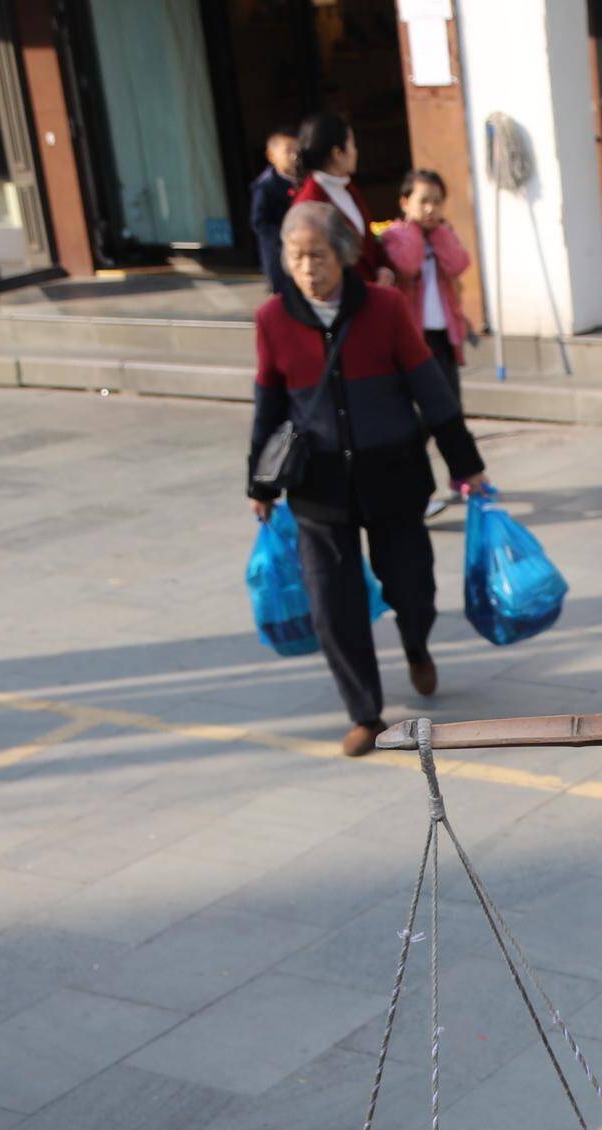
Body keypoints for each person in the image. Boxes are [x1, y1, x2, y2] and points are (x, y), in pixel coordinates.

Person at [247, 201, 487, 753]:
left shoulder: (384, 308)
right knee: (333, 608)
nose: (306, 267)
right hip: (318, 489)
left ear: (346, 255)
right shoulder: (273, 319)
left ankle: (416, 645)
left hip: (394, 478)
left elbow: (433, 391)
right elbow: (268, 405)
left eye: (318, 255)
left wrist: (465, 463)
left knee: (414, 589)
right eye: (295, 256)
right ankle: (365, 712)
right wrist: (259, 485)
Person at [381, 168, 478, 520]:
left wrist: (439, 234)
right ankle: (413, 490)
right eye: (423, 201)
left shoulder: (441, 236)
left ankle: (462, 476)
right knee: (422, 421)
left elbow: (460, 264)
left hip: (441, 336)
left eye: (437, 202)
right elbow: (404, 265)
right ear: (405, 201)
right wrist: (417, 233)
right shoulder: (396, 236)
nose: (429, 209)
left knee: (450, 410)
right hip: (412, 341)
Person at [290, 112, 390, 282]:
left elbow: (368, 242)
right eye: (352, 145)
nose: (356, 152)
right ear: (337, 153)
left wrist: (384, 268)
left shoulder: (347, 187)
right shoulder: (310, 203)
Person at [248, 128, 298, 292]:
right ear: (271, 156)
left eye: (297, 150)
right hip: (278, 251)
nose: (294, 156)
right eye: (288, 150)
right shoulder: (266, 185)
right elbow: (260, 222)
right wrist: (285, 236)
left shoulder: (303, 179)